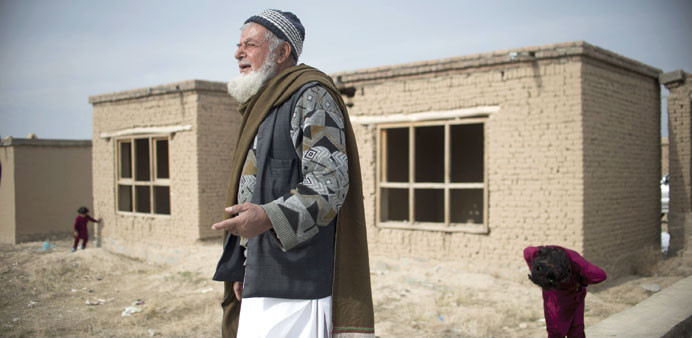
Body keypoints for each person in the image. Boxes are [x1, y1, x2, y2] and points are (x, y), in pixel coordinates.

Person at [211, 9, 374, 338]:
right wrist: (243, 259)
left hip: (298, 285)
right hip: (259, 273)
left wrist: (268, 217)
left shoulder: (311, 96)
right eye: (238, 44)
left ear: (282, 52)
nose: (238, 53)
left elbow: (329, 184)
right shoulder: (265, 105)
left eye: (250, 44)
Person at [523, 245, 607, 338]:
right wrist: (538, 274)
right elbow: (526, 252)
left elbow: (600, 275)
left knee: (576, 331)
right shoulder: (537, 254)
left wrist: (581, 282)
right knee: (556, 331)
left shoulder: (575, 261)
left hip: (574, 296)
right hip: (553, 299)